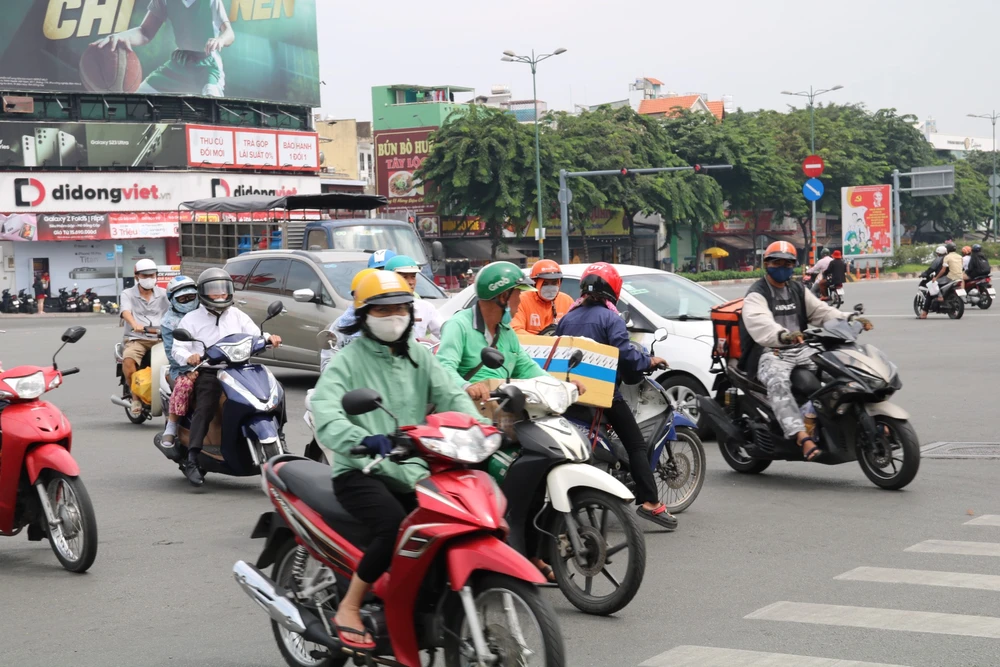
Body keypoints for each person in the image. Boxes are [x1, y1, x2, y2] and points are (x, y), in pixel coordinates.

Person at [311, 270, 488, 650]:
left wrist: (485, 430)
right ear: (363, 315)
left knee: (455, 520)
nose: (393, 317)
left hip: (414, 467)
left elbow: (451, 395)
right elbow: (325, 410)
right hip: (361, 468)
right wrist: (361, 438)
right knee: (395, 528)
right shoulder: (348, 361)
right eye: (382, 310)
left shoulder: (419, 355)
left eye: (400, 308)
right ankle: (350, 606)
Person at [555, 262, 678, 530]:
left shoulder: (567, 317)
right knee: (635, 443)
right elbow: (626, 354)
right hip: (601, 396)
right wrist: (649, 361)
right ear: (613, 290)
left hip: (569, 394)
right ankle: (651, 503)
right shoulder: (611, 319)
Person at [741, 242, 872, 460]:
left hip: (801, 348)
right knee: (778, 383)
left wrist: (849, 318)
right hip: (771, 352)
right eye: (777, 262)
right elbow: (760, 322)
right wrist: (783, 335)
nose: (782, 266)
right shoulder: (757, 293)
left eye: (788, 263)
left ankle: (861, 420)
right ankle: (801, 436)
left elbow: (821, 312)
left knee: (841, 372)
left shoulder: (796, 289)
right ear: (767, 263)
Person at [171, 268, 282, 486]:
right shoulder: (190, 319)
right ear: (203, 293)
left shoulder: (238, 315)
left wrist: (270, 338)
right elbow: (178, 349)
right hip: (210, 371)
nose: (220, 295)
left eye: (223, 290)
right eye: (214, 291)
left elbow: (255, 335)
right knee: (205, 406)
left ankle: (280, 436)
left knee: (275, 389)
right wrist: (189, 356)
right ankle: (193, 458)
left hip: (242, 368)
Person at [436, 261, 551, 403]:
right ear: (503, 297)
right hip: (466, 412)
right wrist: (467, 386)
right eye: (518, 294)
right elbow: (443, 367)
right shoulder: (458, 326)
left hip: (503, 410)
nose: (520, 301)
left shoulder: (506, 331)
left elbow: (527, 368)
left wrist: (560, 385)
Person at [93, 0, 234, 98]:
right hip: (180, 63)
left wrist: (220, 40)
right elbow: (145, 32)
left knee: (211, 107)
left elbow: (229, 33)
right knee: (138, 100)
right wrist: (121, 36)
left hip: (207, 65)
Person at [120, 259, 169, 416]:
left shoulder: (164, 294)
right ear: (137, 277)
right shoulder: (127, 294)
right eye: (145, 275)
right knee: (128, 359)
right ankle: (135, 397)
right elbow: (125, 311)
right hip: (137, 338)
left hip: (161, 338)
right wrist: (134, 324)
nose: (149, 278)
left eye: (152, 275)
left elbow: (175, 309)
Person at [159, 276, 200, 447]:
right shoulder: (169, 322)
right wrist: (189, 365)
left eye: (191, 297)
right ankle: (172, 425)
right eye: (182, 299)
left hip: (215, 362)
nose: (187, 301)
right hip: (183, 368)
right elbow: (171, 352)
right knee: (184, 386)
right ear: (172, 300)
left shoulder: (207, 312)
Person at [319, 268, 377, 373]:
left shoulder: (394, 324)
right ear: (355, 296)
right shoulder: (341, 325)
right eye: (364, 293)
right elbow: (327, 364)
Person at [385, 255, 443, 340]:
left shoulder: (426, 307)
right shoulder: (378, 308)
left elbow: (445, 333)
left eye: (413, 276)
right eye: (404, 277)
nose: (411, 282)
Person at [511, 259, 575, 335]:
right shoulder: (522, 300)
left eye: (554, 283)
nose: (550, 287)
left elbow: (574, 330)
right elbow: (516, 330)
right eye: (545, 283)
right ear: (535, 283)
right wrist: (543, 341)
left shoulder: (567, 301)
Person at [920, 243, 962, 319]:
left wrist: (935, 278)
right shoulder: (959, 256)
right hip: (960, 277)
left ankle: (924, 313)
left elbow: (941, 270)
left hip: (950, 277)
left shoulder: (945, 258)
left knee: (931, 288)